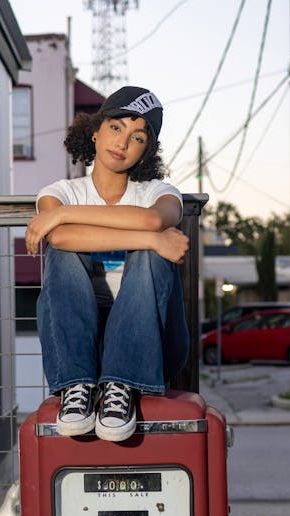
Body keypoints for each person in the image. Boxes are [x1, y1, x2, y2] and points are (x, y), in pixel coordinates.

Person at [25, 86, 190, 442]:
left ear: (146, 151)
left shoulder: (157, 192)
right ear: (95, 130)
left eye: (138, 137)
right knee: (66, 253)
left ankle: (123, 385)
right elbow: (62, 239)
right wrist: (152, 238)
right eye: (116, 127)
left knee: (151, 254)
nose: (123, 142)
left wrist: (65, 217)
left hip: (153, 338)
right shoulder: (61, 191)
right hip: (79, 339)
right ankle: (77, 386)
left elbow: (152, 220)